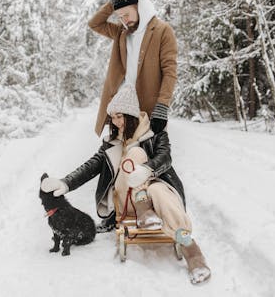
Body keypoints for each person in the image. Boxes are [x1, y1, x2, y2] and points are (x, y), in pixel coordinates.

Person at [40, 84, 211, 284]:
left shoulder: (156, 134)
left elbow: (165, 158)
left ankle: (194, 255)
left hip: (157, 190)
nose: (114, 121)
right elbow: (90, 166)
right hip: (127, 199)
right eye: (112, 116)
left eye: (119, 116)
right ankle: (143, 210)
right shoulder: (111, 143)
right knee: (136, 153)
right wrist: (66, 182)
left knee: (158, 190)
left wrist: (147, 170)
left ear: (131, 116)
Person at [88, 0, 177, 138]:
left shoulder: (162, 30)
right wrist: (113, 2)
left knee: (148, 158)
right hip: (122, 109)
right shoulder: (120, 32)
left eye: (127, 14)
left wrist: (162, 105)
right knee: (118, 157)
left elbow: (170, 71)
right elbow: (95, 24)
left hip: (147, 108)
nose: (124, 20)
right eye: (120, 16)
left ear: (139, 7)